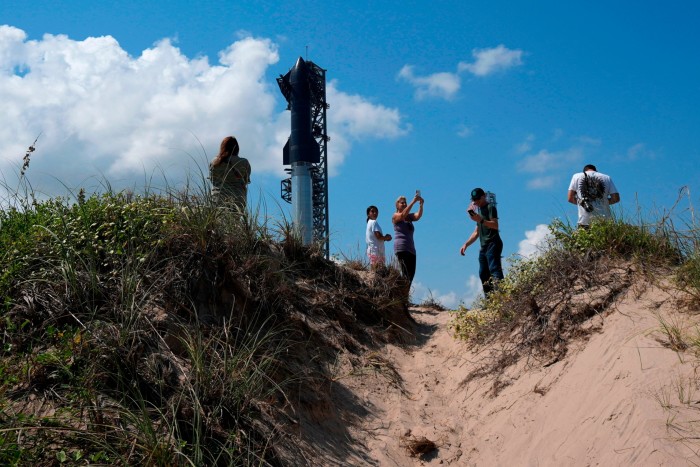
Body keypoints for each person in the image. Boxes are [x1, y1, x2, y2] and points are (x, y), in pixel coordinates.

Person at [460, 188, 504, 296]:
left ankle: (503, 299)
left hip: (493, 242)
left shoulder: (490, 207)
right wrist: (466, 244)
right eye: (474, 200)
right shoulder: (479, 210)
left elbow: (495, 225)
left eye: (477, 199)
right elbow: (477, 232)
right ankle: (490, 301)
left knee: (494, 271)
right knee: (483, 273)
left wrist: (481, 220)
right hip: (484, 246)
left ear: (483, 196)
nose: (476, 202)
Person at [209, 136, 251, 209]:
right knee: (235, 219)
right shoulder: (244, 162)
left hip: (218, 197)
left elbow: (212, 180)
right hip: (238, 198)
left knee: (218, 219)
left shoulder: (214, 162)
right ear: (237, 148)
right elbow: (246, 180)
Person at [392, 192, 424, 288]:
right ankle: (402, 296)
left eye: (405, 202)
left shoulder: (408, 217)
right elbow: (402, 215)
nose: (405, 204)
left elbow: (418, 216)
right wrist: (413, 201)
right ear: (397, 205)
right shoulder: (395, 216)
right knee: (405, 273)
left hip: (411, 249)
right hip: (401, 247)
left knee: (411, 275)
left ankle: (405, 297)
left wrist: (421, 204)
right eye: (402, 203)